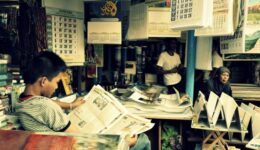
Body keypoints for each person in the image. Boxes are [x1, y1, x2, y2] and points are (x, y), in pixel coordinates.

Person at [15, 51, 150, 149]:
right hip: (75, 144)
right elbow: (84, 140)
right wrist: (125, 143)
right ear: (44, 81)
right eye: (56, 82)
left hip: (57, 142)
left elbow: (49, 104)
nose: (57, 87)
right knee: (142, 140)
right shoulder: (46, 107)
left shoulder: (23, 100)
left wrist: (71, 105)